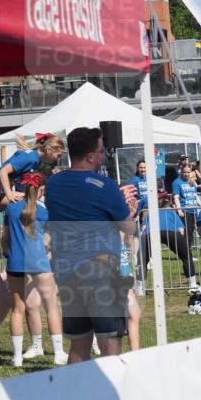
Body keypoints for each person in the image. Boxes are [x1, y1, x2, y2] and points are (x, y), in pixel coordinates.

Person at [44, 127, 139, 364]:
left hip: (67, 272)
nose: (103, 154)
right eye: (100, 150)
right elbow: (128, 228)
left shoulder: (53, 184)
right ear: (90, 155)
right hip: (99, 271)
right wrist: (129, 211)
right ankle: (112, 396)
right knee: (110, 340)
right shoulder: (104, 185)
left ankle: (75, 398)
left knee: (79, 343)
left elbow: (81, 199)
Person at [3, 173, 67, 366]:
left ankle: (16, 358)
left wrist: (9, 252)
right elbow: (50, 237)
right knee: (51, 307)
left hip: (15, 262)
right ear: (40, 190)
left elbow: (4, 238)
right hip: (39, 262)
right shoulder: (44, 211)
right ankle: (58, 353)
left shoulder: (11, 208)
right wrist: (44, 247)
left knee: (17, 310)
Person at [140, 192, 198, 288]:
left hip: (150, 233)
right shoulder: (172, 213)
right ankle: (192, 284)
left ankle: (140, 287)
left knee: (142, 260)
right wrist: (180, 244)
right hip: (171, 232)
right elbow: (181, 230)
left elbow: (143, 229)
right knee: (187, 256)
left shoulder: (151, 214)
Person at [0, 133, 65, 209]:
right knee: (31, 204)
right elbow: (2, 172)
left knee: (34, 201)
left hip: (0, 191)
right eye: (58, 155)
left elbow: (28, 190)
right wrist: (9, 194)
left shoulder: (35, 160)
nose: (59, 159)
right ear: (48, 150)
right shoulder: (30, 157)